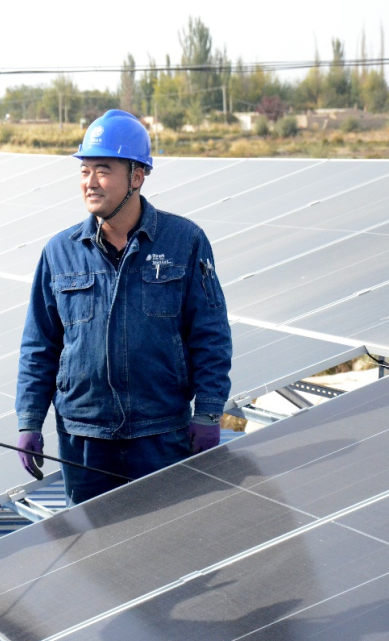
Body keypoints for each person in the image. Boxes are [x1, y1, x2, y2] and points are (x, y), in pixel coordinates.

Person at [14, 109, 232, 504]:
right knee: (94, 540)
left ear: (137, 176)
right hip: (84, 438)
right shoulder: (59, 252)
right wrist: (29, 420)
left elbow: (210, 335)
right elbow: (39, 346)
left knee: (165, 535)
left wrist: (209, 411)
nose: (90, 182)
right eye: (84, 171)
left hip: (160, 433)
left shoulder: (184, 241)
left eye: (103, 170)